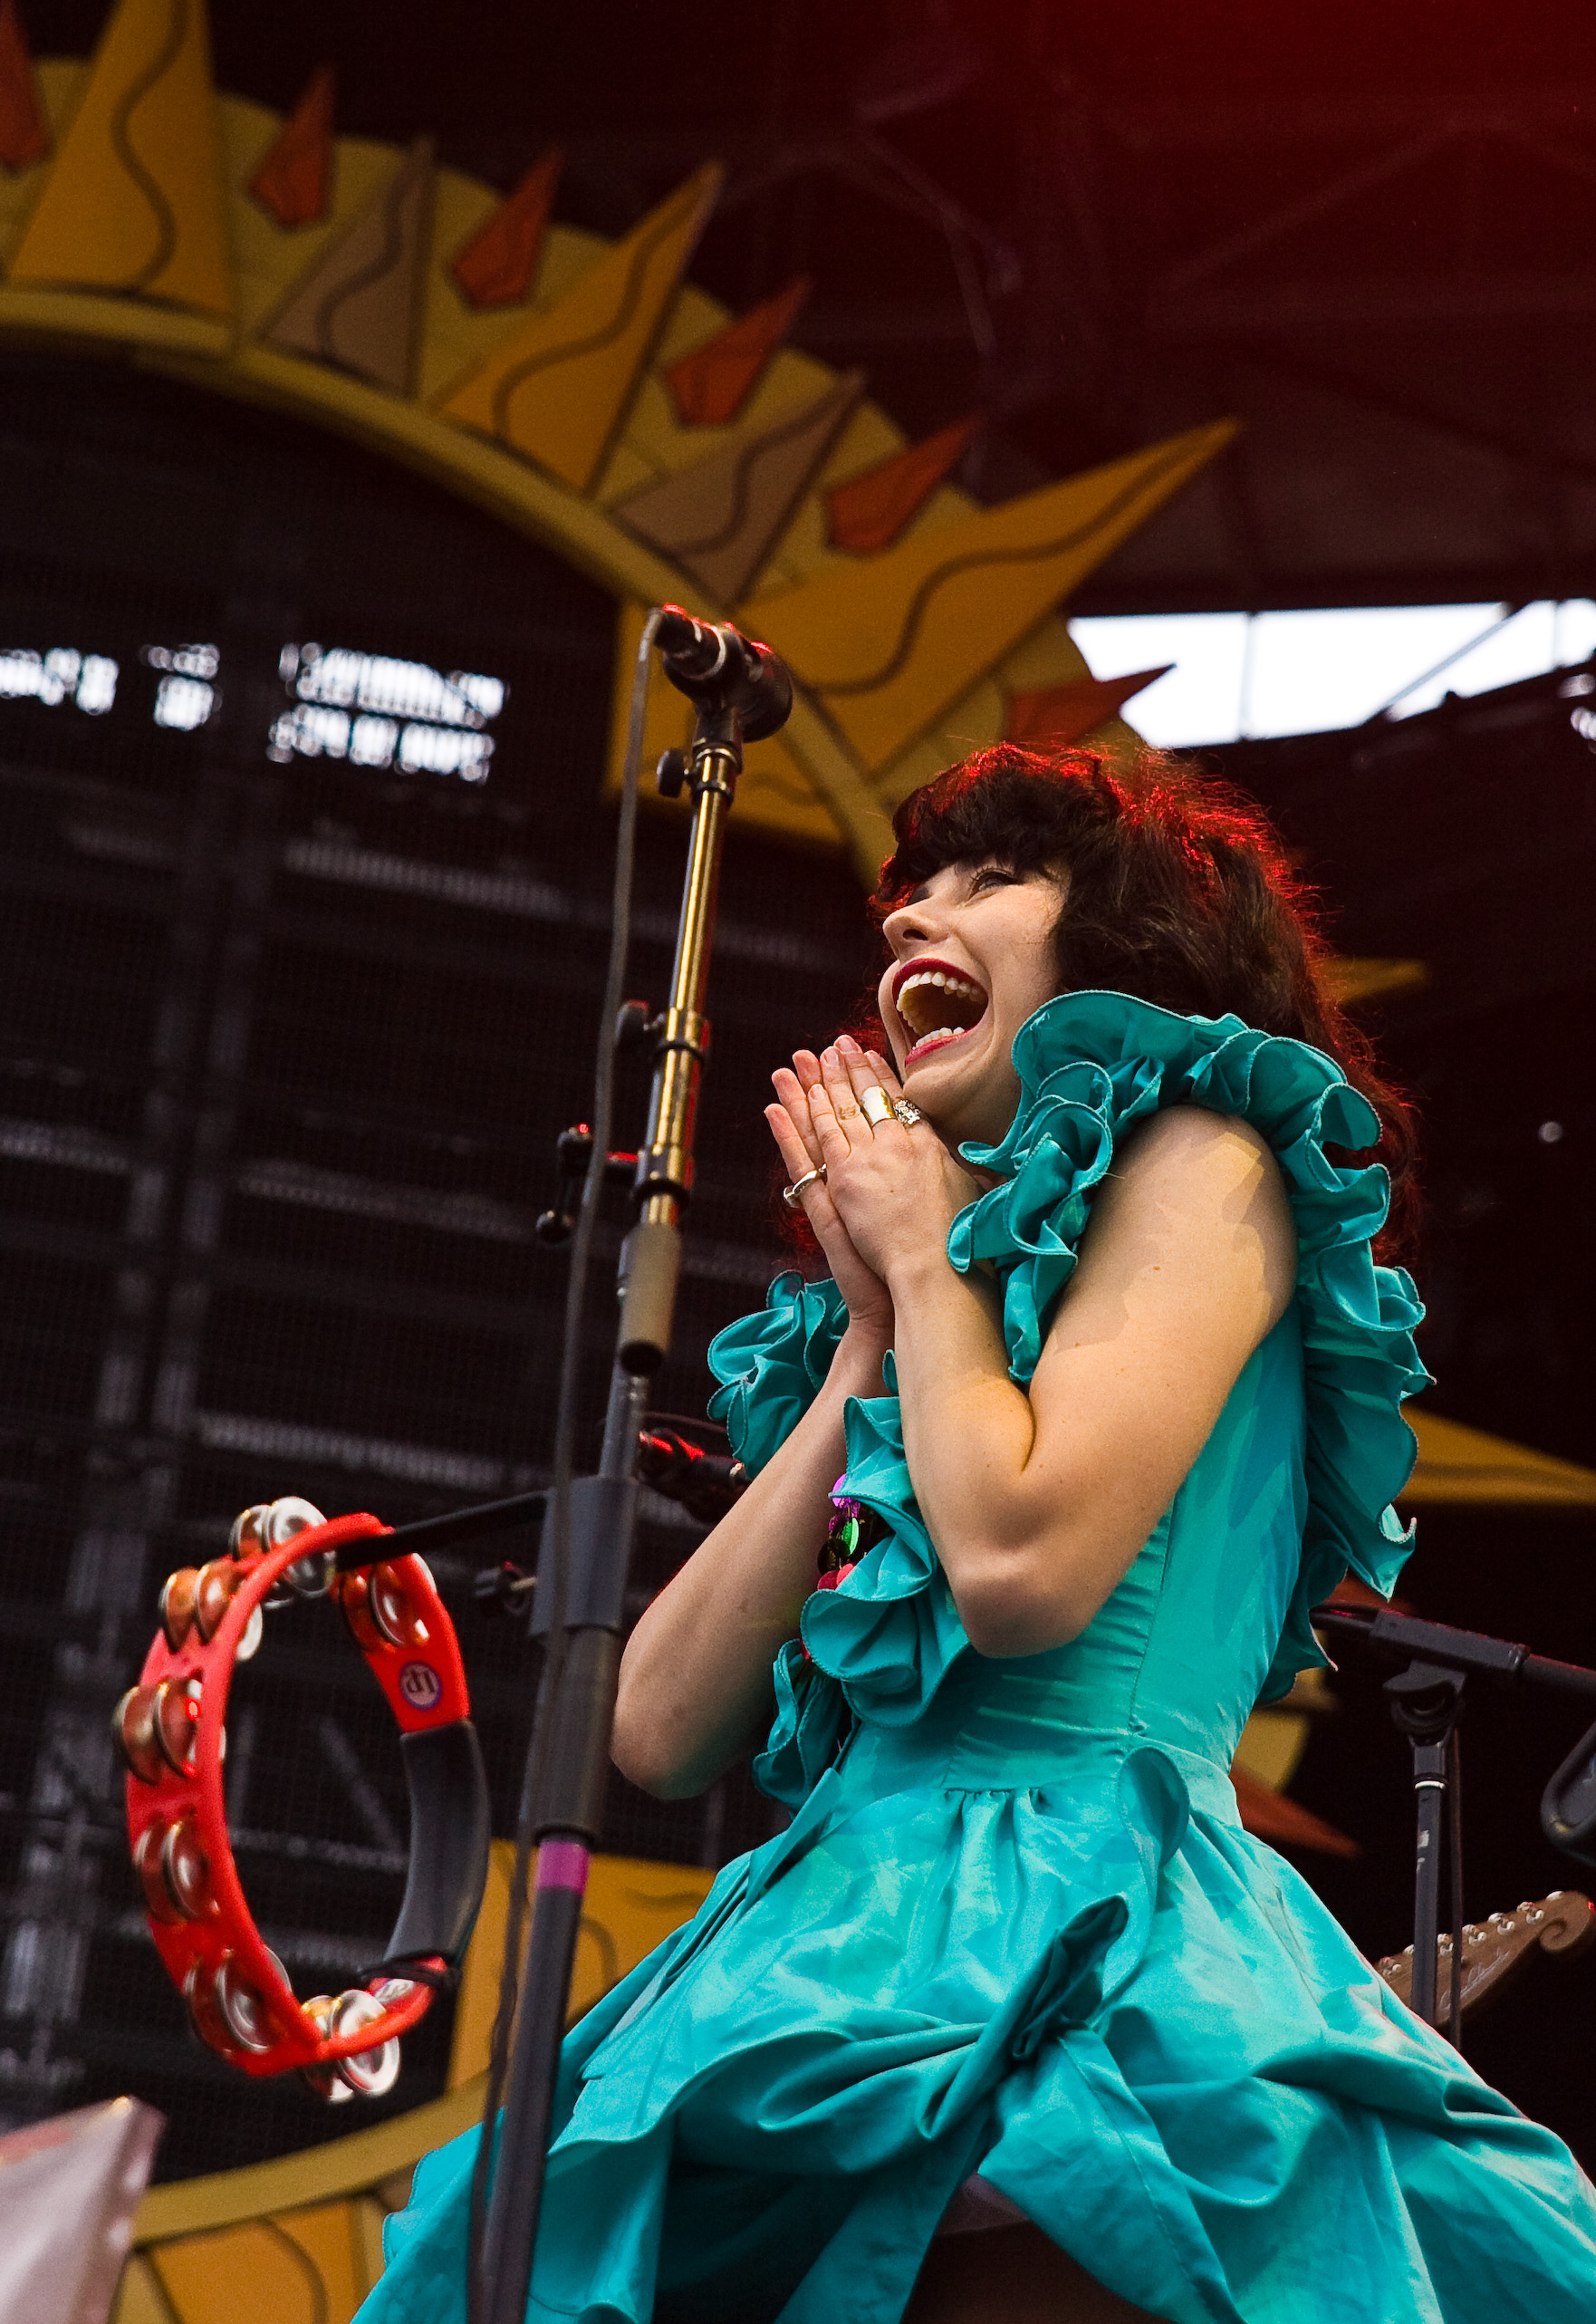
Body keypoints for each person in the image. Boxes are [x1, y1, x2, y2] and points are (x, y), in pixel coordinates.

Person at [367, 745, 1596, 2323]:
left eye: (985, 881)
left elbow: (1020, 1569)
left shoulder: (1204, 1161)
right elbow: (661, 1726)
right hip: (816, 1948)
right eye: (907, 895)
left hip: (1090, 1926)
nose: (910, 923)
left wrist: (928, 1274)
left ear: (1127, 945)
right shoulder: (919, 1305)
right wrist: (875, 1333)